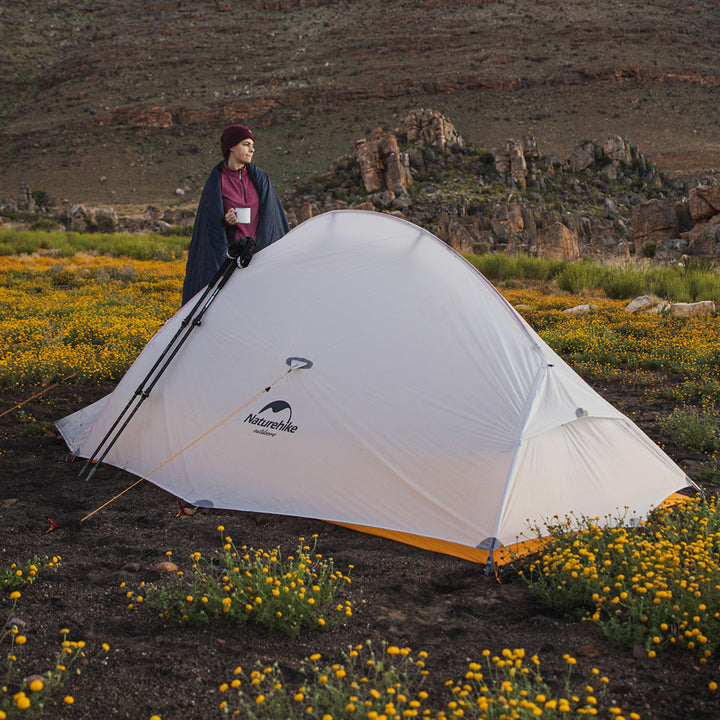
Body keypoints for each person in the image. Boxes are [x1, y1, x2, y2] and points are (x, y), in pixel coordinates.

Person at [181, 124, 290, 304]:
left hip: (258, 259)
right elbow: (209, 226)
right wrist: (226, 221)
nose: (252, 149)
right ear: (231, 146)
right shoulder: (217, 182)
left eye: (252, 145)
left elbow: (273, 220)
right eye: (246, 144)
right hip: (230, 261)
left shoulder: (260, 179)